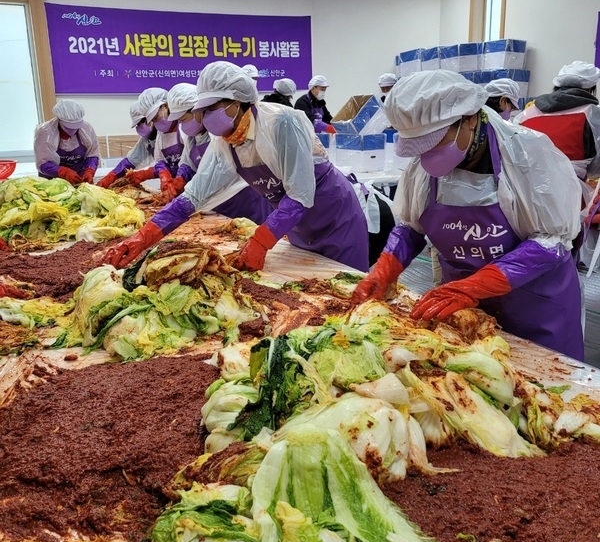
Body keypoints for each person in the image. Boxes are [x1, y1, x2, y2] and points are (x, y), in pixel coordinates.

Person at [351, 69, 584, 361]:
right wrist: (384, 270)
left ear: (470, 118)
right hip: (462, 307)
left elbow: (552, 240)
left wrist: (476, 285)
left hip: (535, 305)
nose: (429, 153)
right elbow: (411, 227)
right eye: (419, 145)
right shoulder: (422, 169)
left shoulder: (528, 154)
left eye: (436, 140)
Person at [102, 62, 370, 273]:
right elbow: (193, 198)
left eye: (211, 108)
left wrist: (261, 240)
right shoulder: (225, 142)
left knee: (344, 298)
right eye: (201, 111)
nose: (204, 118)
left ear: (238, 102)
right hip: (297, 227)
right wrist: (142, 237)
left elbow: (300, 194)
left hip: (335, 219)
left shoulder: (282, 123)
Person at [158, 82, 273, 223]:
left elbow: (213, 175)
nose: (182, 125)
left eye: (183, 120)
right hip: (217, 206)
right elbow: (187, 164)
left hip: (244, 202)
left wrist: (183, 202)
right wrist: (179, 180)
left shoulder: (219, 134)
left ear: (197, 111)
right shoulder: (192, 137)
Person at [513, 60, 600, 205]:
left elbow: (514, 155)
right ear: (591, 88)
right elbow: (597, 166)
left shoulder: (526, 114)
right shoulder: (592, 114)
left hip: (528, 199)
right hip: (570, 199)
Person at [34, 100, 100, 185]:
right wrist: (63, 172)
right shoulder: (45, 132)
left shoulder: (87, 129)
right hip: (52, 184)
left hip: (78, 180)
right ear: (59, 120)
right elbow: (42, 163)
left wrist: (89, 170)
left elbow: (92, 155)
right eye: (69, 127)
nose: (73, 131)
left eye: (76, 127)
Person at [96, 98, 158, 188]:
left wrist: (146, 174)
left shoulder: (170, 134)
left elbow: (172, 166)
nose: (139, 127)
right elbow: (129, 162)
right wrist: (109, 178)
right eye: (137, 124)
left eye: (141, 122)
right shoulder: (146, 140)